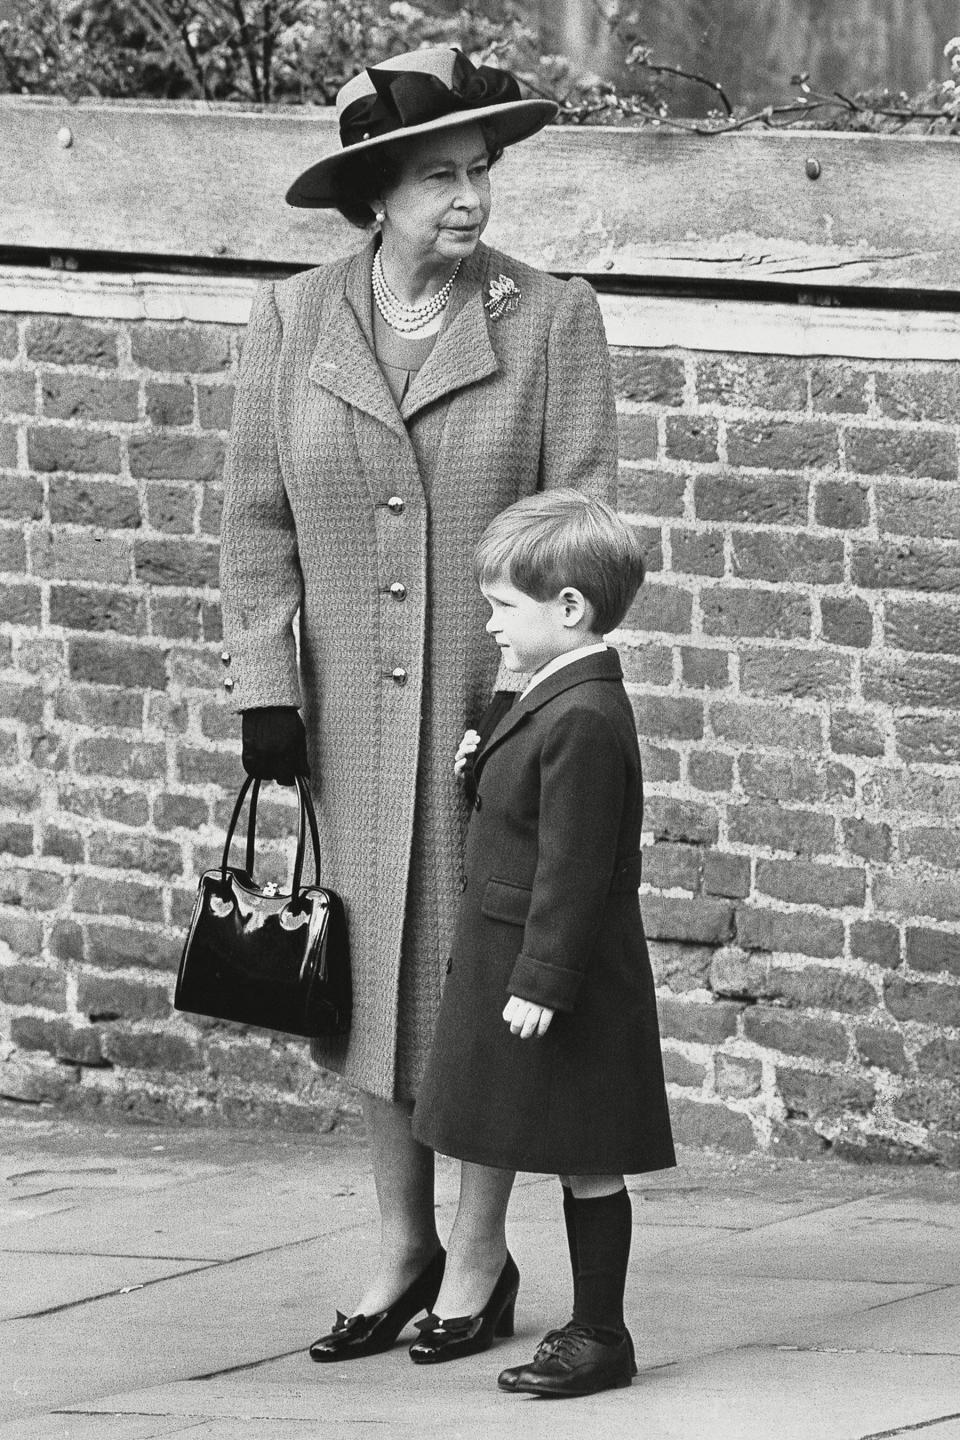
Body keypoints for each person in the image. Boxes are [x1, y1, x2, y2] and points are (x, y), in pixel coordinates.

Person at [217, 46, 619, 1362]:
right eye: (441, 176)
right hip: (346, 723)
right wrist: (264, 690)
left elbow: (579, 531)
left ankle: (478, 1252)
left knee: (480, 974)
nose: (471, 199)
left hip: (494, 715)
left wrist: (524, 699)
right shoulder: (293, 320)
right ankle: (400, 1242)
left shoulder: (549, 317)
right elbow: (252, 522)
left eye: (480, 172)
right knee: (367, 980)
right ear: (376, 194)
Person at [411, 491, 676, 1396]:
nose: (490, 627)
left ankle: (601, 1333)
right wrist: (481, 761)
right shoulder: (553, 693)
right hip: (520, 959)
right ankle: (591, 1328)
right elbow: (524, 801)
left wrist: (545, 980)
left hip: (558, 973)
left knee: (589, 1155)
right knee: (571, 1146)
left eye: (501, 608)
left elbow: (576, 865)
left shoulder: (587, 716)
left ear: (571, 610)